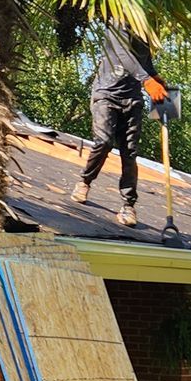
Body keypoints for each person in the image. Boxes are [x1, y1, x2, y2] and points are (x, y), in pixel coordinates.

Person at [71, 24, 168, 228]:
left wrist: (155, 76)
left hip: (132, 99)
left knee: (130, 153)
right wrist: (147, 81)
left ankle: (128, 205)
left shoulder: (145, 31)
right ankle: (84, 181)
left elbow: (144, 61)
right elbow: (124, 56)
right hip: (107, 93)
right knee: (104, 142)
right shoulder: (117, 22)